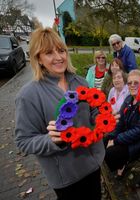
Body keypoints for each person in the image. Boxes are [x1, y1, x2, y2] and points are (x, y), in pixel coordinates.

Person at [14, 27, 105, 200]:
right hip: (66, 179)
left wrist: (103, 117)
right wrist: (51, 140)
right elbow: (23, 141)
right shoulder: (28, 95)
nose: (58, 57)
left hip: (93, 165)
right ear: (38, 59)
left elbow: (92, 110)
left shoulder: (80, 82)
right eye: (49, 53)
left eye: (61, 50)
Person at [104, 69, 140, 177]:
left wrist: (116, 140)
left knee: (110, 153)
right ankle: (121, 162)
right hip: (127, 135)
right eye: (130, 83)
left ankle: (125, 162)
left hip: (139, 142)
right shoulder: (128, 99)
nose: (132, 85)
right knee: (105, 140)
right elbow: (120, 122)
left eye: (136, 83)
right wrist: (112, 136)